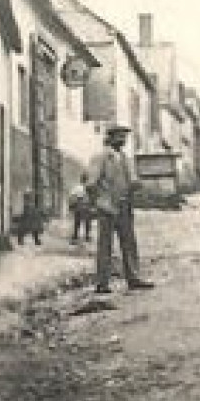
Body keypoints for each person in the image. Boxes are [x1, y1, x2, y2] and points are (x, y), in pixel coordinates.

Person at [87, 124, 154, 293]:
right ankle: (102, 283)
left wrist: (135, 187)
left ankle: (134, 278)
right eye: (119, 137)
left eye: (124, 137)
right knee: (105, 246)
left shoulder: (125, 158)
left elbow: (131, 181)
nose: (123, 140)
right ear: (110, 138)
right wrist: (99, 203)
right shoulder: (100, 157)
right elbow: (91, 184)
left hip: (124, 206)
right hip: (107, 207)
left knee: (129, 243)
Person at [67, 174, 94, 244]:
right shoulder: (89, 187)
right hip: (86, 205)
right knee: (87, 222)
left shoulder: (77, 187)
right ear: (86, 180)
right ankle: (87, 236)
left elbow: (72, 196)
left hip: (78, 205)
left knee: (77, 221)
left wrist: (71, 206)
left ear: (81, 179)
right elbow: (91, 197)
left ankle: (76, 235)